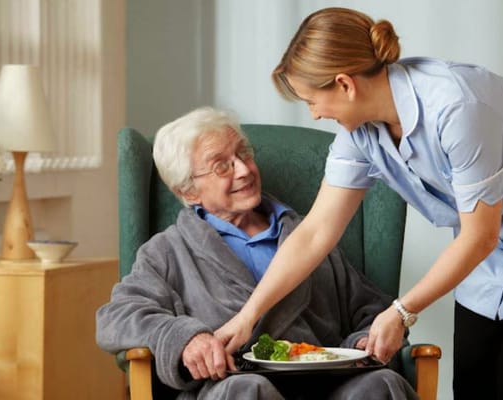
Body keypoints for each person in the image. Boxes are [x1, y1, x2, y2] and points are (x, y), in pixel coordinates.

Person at [214, 7, 503, 400]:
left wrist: (401, 311)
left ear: (345, 84)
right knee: (473, 377)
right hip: (488, 237)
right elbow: (315, 232)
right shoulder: (359, 131)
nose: (315, 113)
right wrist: (248, 316)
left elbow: (480, 236)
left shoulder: (457, 107)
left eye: (313, 100)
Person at [95, 107, 417, 400]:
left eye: (244, 154)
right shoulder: (168, 251)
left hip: (326, 385)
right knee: (248, 392)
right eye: (222, 166)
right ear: (189, 191)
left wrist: (364, 341)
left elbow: (369, 308)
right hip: (233, 385)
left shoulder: (306, 235)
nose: (244, 170)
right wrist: (184, 338)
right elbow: (116, 316)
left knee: (381, 386)